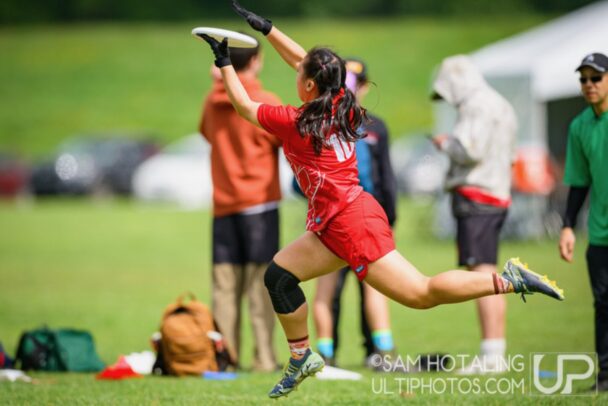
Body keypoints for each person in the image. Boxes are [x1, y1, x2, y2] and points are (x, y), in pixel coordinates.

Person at [198, 1, 564, 398]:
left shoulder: (297, 122)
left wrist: (224, 62)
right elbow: (306, 62)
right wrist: (268, 29)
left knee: (421, 294)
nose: (297, 72)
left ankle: (508, 280)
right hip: (337, 221)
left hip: (351, 224)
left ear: (310, 86)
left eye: (301, 75)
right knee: (279, 277)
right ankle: (302, 357)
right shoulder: (341, 101)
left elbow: (244, 106)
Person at [430, 55, 518, 374]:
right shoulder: (500, 103)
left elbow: (470, 149)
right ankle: (494, 351)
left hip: (476, 196)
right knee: (486, 271)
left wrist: (445, 144)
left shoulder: (475, 105)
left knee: (482, 276)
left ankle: (492, 354)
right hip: (498, 194)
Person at [199, 38, 281, 372]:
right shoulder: (264, 100)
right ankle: (264, 358)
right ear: (257, 60)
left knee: (224, 288)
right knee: (261, 286)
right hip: (260, 205)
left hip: (223, 205)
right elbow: (284, 138)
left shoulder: (212, 101)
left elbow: (207, 134)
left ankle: (225, 358)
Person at [324, 58, 398, 367]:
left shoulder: (324, 122)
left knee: (328, 291)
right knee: (372, 287)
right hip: (365, 218)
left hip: (333, 220)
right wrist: (389, 219)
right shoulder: (371, 126)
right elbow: (386, 179)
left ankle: (328, 354)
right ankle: (380, 352)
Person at [559, 52, 608, 392]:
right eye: (584, 79)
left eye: (596, 78)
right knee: (603, 305)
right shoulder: (579, 126)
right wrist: (567, 225)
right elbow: (579, 182)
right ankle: (605, 376)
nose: (589, 84)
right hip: (600, 234)